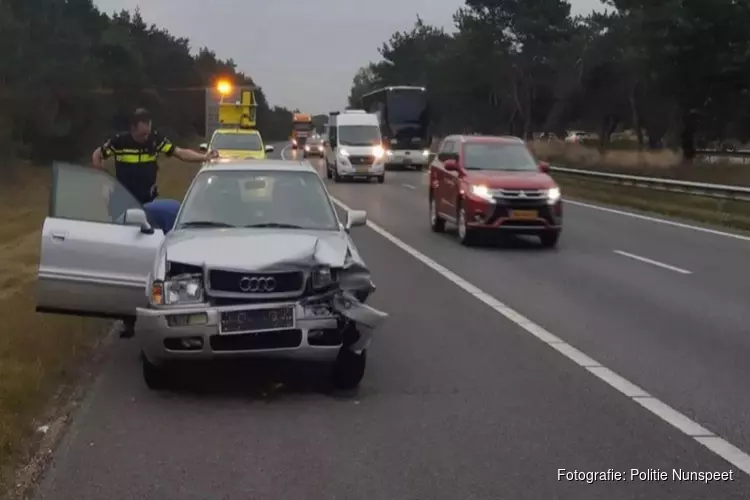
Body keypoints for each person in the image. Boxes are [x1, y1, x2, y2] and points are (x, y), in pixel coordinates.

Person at [92, 108, 216, 338]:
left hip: (149, 207)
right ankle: (127, 320)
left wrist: (205, 158)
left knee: (150, 259)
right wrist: (103, 179)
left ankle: (153, 309)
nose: (145, 137)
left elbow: (180, 153)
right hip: (123, 206)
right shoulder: (119, 142)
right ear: (132, 129)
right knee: (126, 262)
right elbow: (97, 155)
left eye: (148, 132)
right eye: (141, 134)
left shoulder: (155, 140)